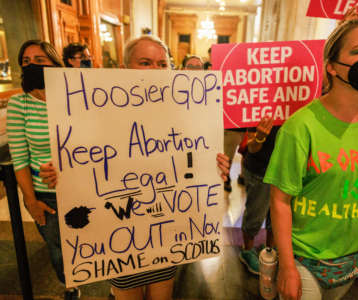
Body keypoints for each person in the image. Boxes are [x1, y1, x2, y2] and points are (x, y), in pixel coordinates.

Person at [39, 35, 230, 300]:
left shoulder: (185, 111)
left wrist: (214, 167)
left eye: (162, 63)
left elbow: (193, 157)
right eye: (145, 62)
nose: (155, 69)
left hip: (166, 230)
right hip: (122, 235)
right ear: (125, 68)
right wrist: (62, 173)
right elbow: (84, 157)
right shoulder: (98, 110)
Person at [264, 19, 358, 300]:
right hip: (305, 259)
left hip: (351, 259)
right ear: (331, 66)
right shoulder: (301, 127)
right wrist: (287, 268)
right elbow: (280, 200)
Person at [6, 40, 81, 299]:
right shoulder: (19, 104)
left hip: (84, 186)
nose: (32, 65)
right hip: (45, 194)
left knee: (95, 240)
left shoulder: (76, 96)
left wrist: (69, 168)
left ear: (54, 64)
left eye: (39, 60)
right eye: (26, 61)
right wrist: (30, 200)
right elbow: (20, 157)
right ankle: (70, 286)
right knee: (59, 248)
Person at [238, 116, 279, 275]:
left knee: (276, 217)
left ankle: (270, 250)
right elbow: (252, 147)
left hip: (283, 173)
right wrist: (260, 136)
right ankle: (247, 250)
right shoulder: (262, 104)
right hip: (260, 171)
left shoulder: (296, 105)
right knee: (255, 214)